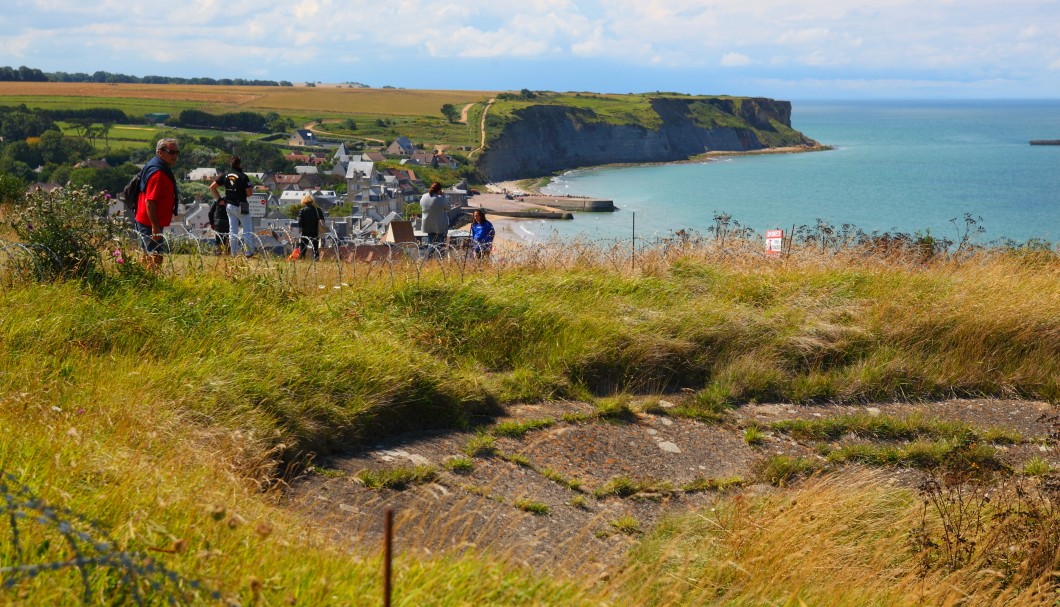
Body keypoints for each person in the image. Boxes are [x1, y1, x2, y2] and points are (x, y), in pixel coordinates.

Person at [135, 138, 180, 270]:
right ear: (160, 152)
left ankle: (144, 280)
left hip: (147, 219)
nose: (175, 156)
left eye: (177, 152)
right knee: (156, 257)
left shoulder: (156, 165)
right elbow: (150, 201)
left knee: (148, 254)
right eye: (171, 152)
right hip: (150, 222)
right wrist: (155, 227)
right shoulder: (159, 173)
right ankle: (150, 283)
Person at [210, 156, 254, 258]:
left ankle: (233, 253)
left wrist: (219, 199)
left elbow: (212, 187)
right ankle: (248, 252)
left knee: (232, 230)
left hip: (229, 205)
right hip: (241, 205)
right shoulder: (243, 176)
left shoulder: (225, 176)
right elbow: (249, 193)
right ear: (240, 164)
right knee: (247, 229)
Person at [419, 182, 450, 257]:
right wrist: (443, 196)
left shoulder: (424, 196)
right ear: (439, 190)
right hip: (439, 225)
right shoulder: (440, 198)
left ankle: (429, 260)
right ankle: (432, 260)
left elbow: (421, 206)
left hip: (427, 225)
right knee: (439, 246)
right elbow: (448, 208)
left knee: (431, 243)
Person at [294, 194, 326, 260]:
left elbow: (300, 224)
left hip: (305, 232)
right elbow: (323, 222)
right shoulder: (317, 210)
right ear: (312, 201)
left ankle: (302, 261)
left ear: (304, 202)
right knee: (315, 249)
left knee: (303, 249)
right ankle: (316, 261)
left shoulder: (302, 211)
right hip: (314, 232)